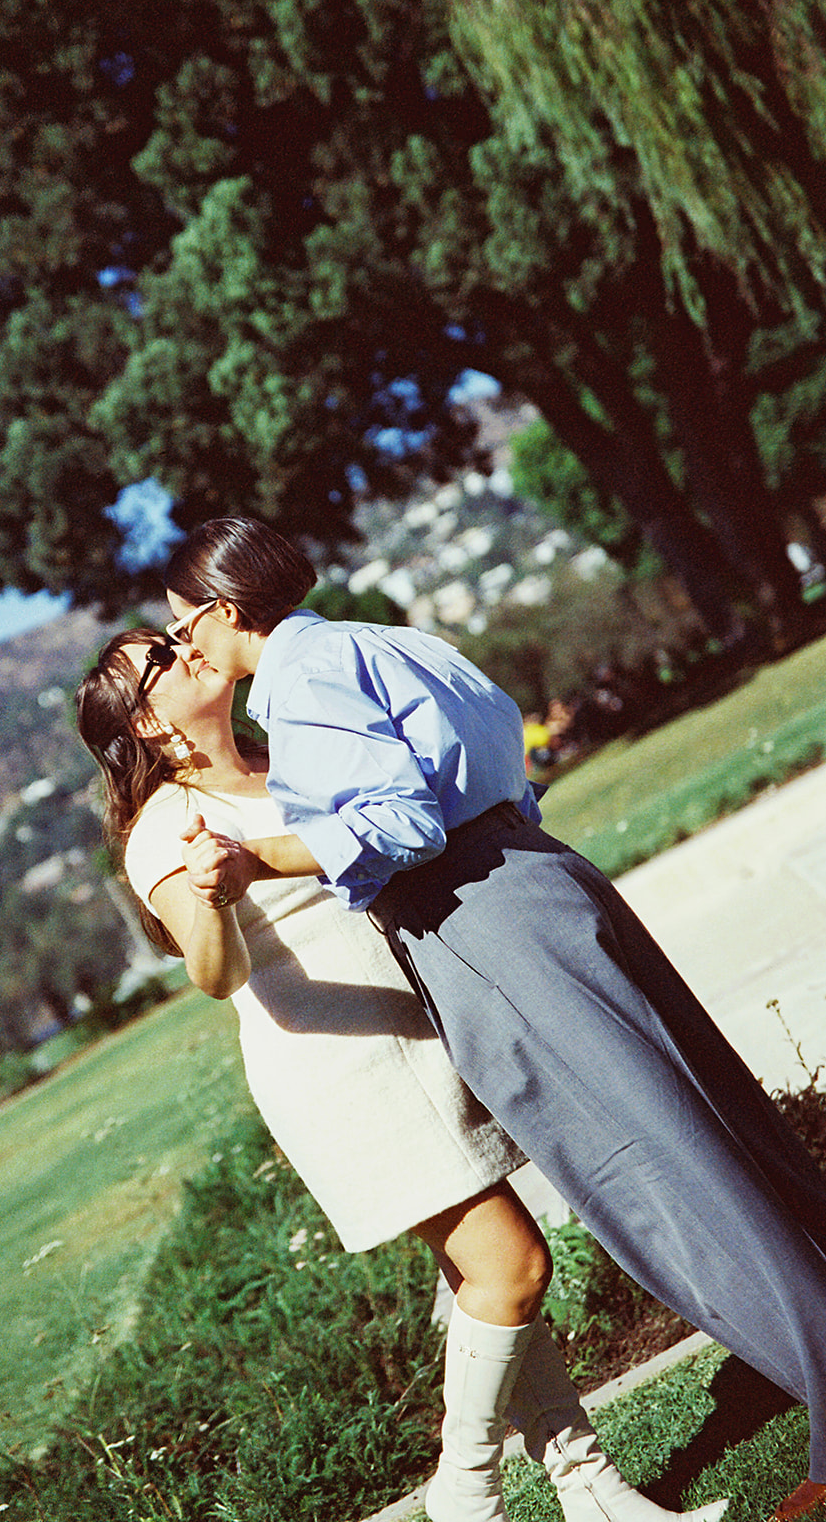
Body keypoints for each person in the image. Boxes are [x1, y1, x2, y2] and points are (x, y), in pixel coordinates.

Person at [161, 515, 826, 1522]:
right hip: (540, 874)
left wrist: (262, 859)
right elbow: (503, 744)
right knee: (710, 1117)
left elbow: (402, 824)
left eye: (182, 629)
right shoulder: (379, 638)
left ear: (222, 610)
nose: (186, 650)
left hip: (474, 916)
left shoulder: (297, 683)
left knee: (656, 1164)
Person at [75, 628, 727, 1522]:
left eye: (178, 636)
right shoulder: (167, 827)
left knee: (480, 1279)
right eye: (159, 657)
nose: (185, 646)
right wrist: (218, 896)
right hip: (343, 1068)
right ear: (145, 719)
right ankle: (461, 1493)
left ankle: (594, 1493)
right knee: (515, 1263)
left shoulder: (279, 761)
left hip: (423, 1032)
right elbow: (215, 975)